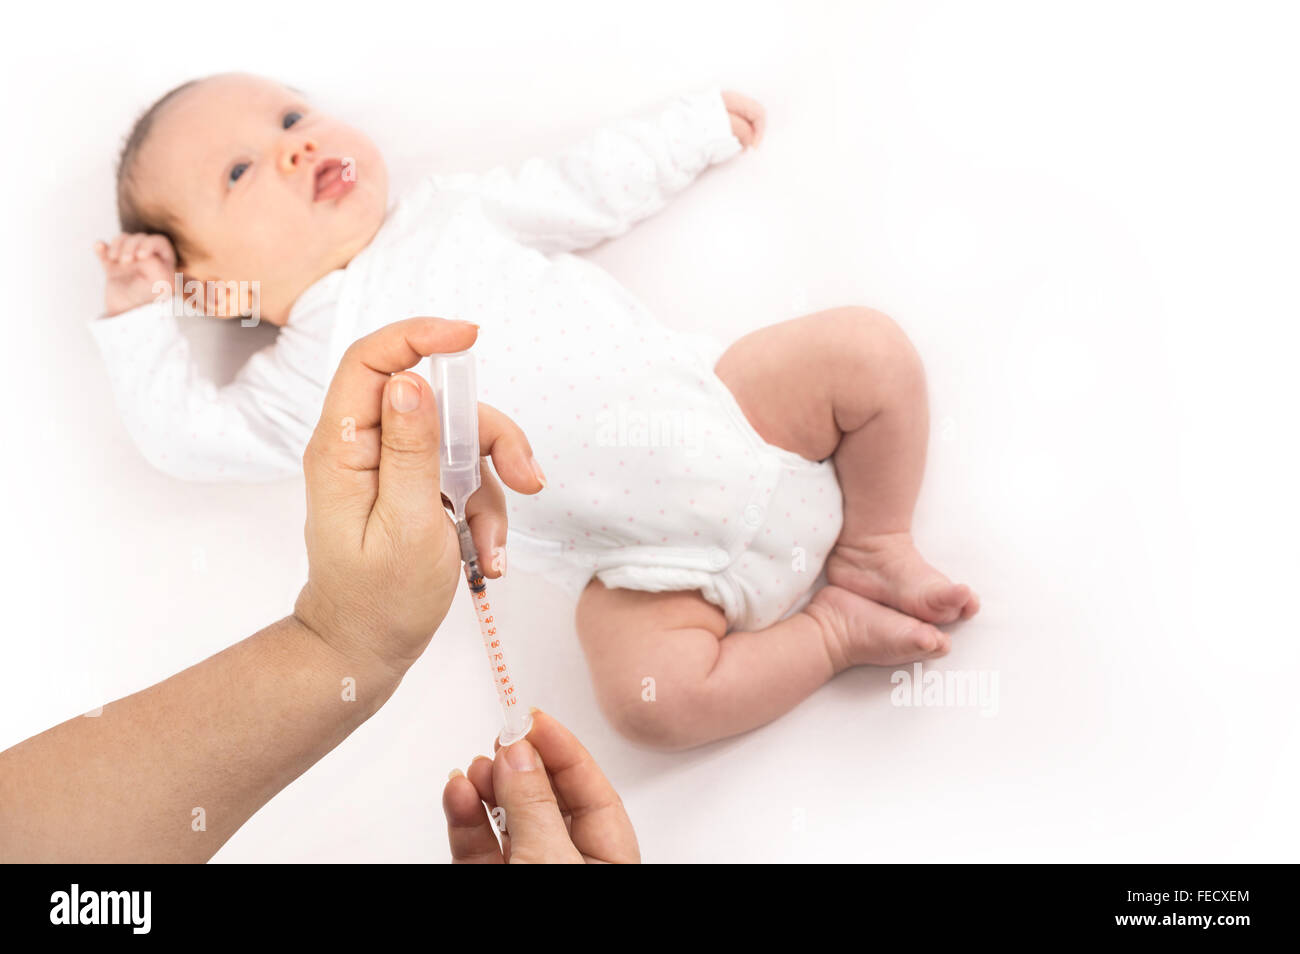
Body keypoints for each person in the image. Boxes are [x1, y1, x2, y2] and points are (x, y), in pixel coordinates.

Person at [0, 317, 637, 864]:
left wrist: (342, 643)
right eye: (237, 174)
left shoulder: (433, 218)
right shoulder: (287, 373)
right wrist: (138, 316)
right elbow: (182, 429)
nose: (294, 162)